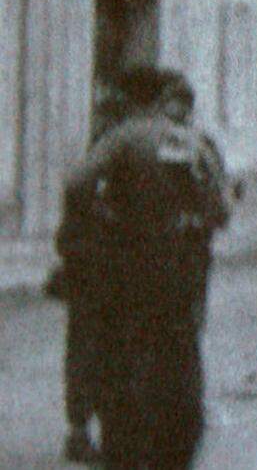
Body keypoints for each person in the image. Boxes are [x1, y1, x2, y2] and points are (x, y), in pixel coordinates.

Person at [69, 66, 228, 468]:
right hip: (182, 268)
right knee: (179, 352)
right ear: (162, 98)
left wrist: (100, 222)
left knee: (123, 352)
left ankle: (123, 449)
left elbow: (77, 184)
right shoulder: (193, 142)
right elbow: (220, 209)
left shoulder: (124, 137)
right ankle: (176, 446)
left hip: (131, 264)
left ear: (130, 98)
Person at [52, 87, 130, 464]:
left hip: (107, 273)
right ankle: (80, 432)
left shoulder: (112, 165)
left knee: (104, 351)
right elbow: (71, 229)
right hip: (92, 273)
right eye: (107, 118)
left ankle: (96, 429)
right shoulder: (94, 169)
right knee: (88, 352)